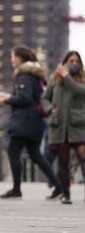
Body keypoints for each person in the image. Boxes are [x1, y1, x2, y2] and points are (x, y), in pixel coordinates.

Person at [0, 45, 64, 201]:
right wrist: (9, 96)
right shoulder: (35, 76)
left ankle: (16, 189)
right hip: (35, 121)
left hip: (24, 122)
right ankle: (59, 186)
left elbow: (25, 99)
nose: (12, 60)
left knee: (13, 152)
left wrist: (7, 98)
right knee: (36, 155)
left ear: (19, 58)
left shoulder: (24, 75)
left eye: (13, 57)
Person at [42, 50, 85, 204]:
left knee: (83, 157)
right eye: (70, 61)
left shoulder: (82, 79)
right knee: (63, 162)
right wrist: (49, 108)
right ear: (65, 62)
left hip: (78, 125)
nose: (73, 64)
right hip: (59, 125)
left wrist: (67, 77)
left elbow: (80, 92)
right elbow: (45, 98)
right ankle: (66, 193)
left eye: (76, 61)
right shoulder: (54, 79)